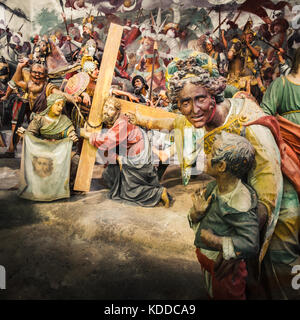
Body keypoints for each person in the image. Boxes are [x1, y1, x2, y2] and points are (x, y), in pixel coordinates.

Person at [163, 50, 300, 299]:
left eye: (200, 99)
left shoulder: (251, 126)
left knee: (278, 275)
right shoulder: (203, 121)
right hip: (242, 204)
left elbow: (268, 193)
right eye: (185, 102)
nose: (194, 109)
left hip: (277, 208)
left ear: (213, 93)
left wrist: (234, 248)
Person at [189, 131, 259, 300]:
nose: (206, 156)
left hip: (226, 272)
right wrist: (195, 214)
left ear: (221, 166)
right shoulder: (214, 187)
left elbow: (250, 243)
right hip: (208, 262)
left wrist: (216, 241)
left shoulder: (240, 201)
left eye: (211, 153)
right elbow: (194, 217)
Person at [80, 96, 170, 208]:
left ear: (117, 111)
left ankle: (158, 193)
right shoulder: (117, 120)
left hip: (137, 155)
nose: (107, 111)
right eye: (106, 107)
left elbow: (108, 140)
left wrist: (88, 135)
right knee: (110, 175)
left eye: (111, 109)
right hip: (134, 149)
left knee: (129, 191)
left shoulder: (122, 122)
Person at [17, 93, 79, 201]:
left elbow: (70, 132)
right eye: (58, 104)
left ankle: (66, 187)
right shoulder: (39, 119)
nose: (60, 108)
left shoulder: (64, 120)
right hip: (41, 151)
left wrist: (72, 137)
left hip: (59, 152)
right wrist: (24, 135)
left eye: (62, 105)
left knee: (76, 159)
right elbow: (30, 135)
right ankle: (36, 187)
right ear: (50, 105)